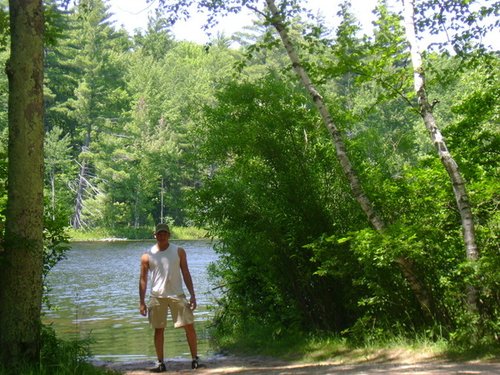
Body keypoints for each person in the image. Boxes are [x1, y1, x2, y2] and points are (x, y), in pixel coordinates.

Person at [139, 223, 199, 372]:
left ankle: (195, 359)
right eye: (159, 233)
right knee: (158, 330)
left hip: (177, 294)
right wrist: (141, 302)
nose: (162, 235)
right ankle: (160, 363)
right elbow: (143, 279)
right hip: (157, 296)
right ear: (155, 235)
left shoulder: (179, 251)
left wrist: (192, 295)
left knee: (189, 327)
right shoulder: (147, 255)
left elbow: (186, 272)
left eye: (164, 233)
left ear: (169, 235)